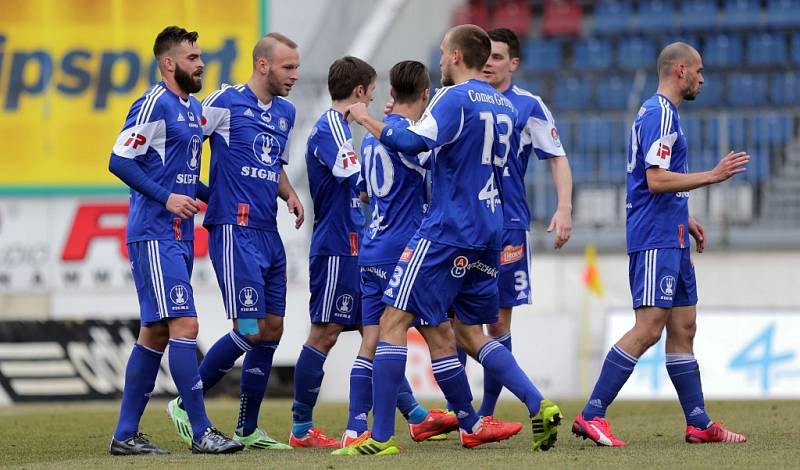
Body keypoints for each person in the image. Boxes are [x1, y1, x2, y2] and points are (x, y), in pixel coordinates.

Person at [336, 24, 561, 456]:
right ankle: (539, 403)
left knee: (391, 324)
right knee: (469, 333)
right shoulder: (504, 105)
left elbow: (410, 141)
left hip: (447, 230)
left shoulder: (454, 98)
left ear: (457, 56)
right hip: (490, 229)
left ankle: (380, 439)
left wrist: (365, 118)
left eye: (442, 52)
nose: (439, 60)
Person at [572, 42, 749, 447]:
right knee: (649, 327)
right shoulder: (659, 114)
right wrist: (713, 175)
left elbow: (655, 180)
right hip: (654, 238)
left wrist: (684, 216)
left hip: (672, 234)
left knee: (684, 328)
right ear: (680, 70)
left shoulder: (662, 114)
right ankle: (592, 413)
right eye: (699, 71)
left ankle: (699, 423)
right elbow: (654, 180)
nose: (703, 79)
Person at [107, 25, 242, 455]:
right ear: (169, 63)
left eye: (200, 57)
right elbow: (118, 160)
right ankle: (201, 430)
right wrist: (166, 199)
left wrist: (218, 199)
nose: (201, 64)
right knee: (186, 325)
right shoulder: (153, 104)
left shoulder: (192, 108)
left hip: (178, 237)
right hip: (153, 234)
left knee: (155, 334)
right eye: (192, 58)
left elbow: (184, 178)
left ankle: (125, 435)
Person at [164, 32, 303, 451]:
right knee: (248, 328)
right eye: (288, 67)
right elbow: (187, 143)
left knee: (273, 329)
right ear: (263, 65)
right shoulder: (225, 102)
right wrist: (200, 192)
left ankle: (247, 427)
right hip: (233, 230)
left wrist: (290, 193)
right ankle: (186, 403)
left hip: (268, 230)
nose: (294, 75)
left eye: (296, 67)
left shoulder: (286, 112)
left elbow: (272, 163)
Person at [340, 60, 458, 446]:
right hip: (404, 249)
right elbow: (437, 180)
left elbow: (363, 192)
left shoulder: (371, 138)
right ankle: (471, 419)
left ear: (392, 92)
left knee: (371, 340)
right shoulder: (411, 137)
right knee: (440, 333)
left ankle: (355, 428)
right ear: (425, 94)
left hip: (372, 246)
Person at [474, 27, 573, 418]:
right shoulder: (460, 99)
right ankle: (460, 410)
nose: (487, 63)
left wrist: (564, 207)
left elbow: (557, 156)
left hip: (507, 225)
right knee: (450, 321)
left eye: (496, 57)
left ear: (513, 63)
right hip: (462, 224)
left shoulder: (529, 105)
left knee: (497, 323)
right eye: (483, 55)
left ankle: (485, 413)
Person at [289, 56, 375, 449]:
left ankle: (417, 416)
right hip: (336, 248)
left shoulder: (341, 130)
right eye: (371, 92)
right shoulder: (332, 128)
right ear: (359, 92)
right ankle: (301, 428)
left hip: (352, 244)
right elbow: (357, 180)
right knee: (324, 334)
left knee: (375, 330)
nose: (372, 99)